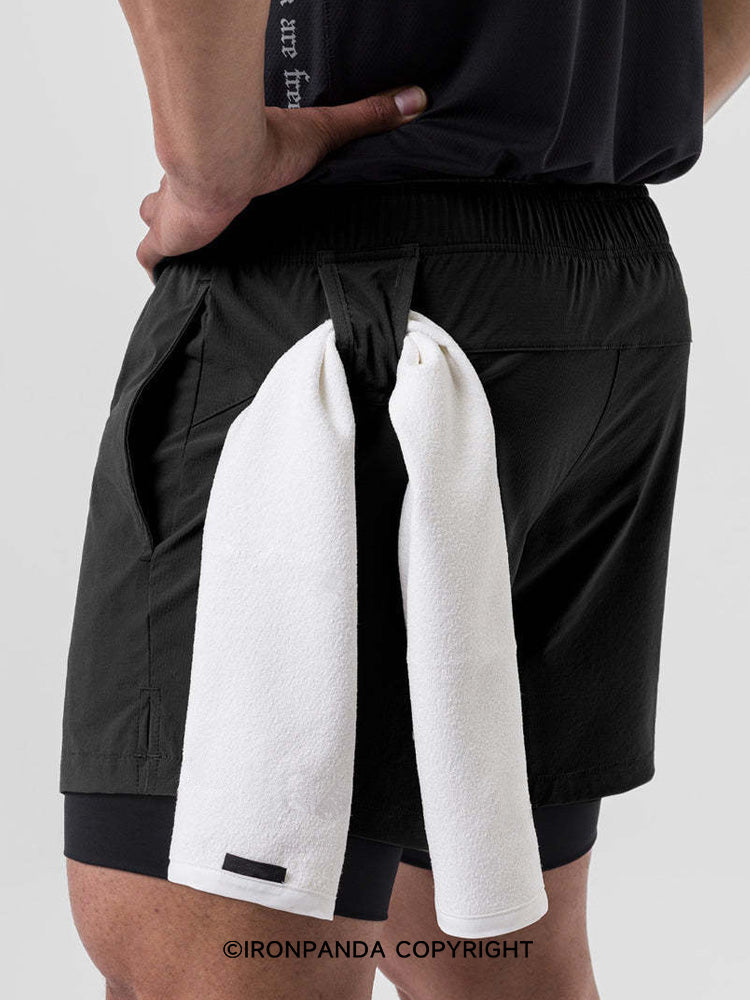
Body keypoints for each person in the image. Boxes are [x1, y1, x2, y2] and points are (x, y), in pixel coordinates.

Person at [60, 1, 750, 998]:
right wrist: (609, 97)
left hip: (346, 296)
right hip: (595, 302)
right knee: (488, 959)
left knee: (203, 963)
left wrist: (212, 168)